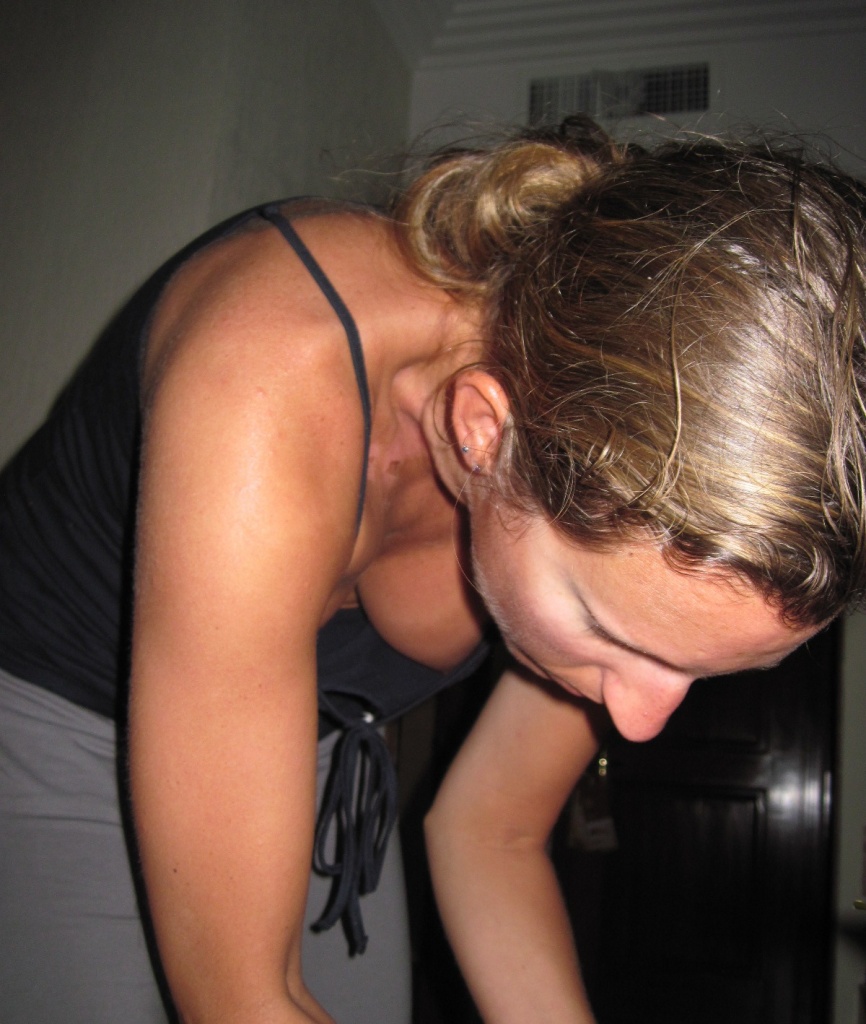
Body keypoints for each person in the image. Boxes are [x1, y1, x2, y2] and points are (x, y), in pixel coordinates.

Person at [0, 116, 864, 1024]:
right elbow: (242, 1001)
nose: (641, 721)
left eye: (701, 672)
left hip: (324, 761)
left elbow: (493, 832)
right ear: (485, 430)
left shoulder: (623, 513)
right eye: (617, 636)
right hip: (54, 719)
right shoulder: (268, 368)